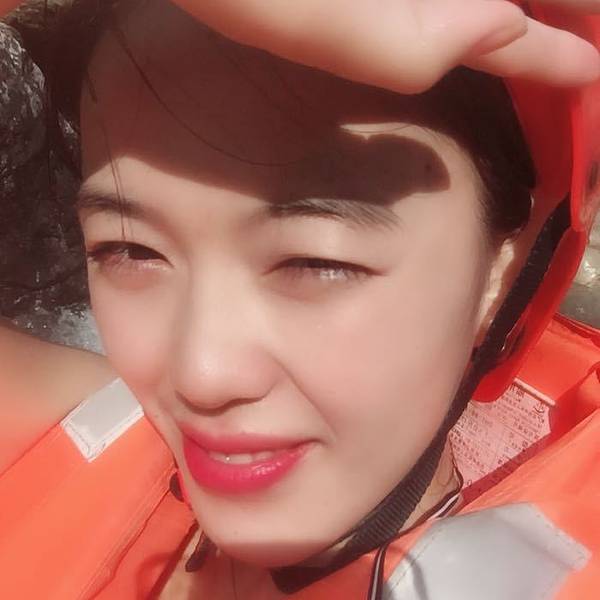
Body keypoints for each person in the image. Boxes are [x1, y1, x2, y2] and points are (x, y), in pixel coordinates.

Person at [2, 0, 600, 599]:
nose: (201, 376)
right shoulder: (83, 423)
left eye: (316, 261)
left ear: (506, 270)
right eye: (131, 250)